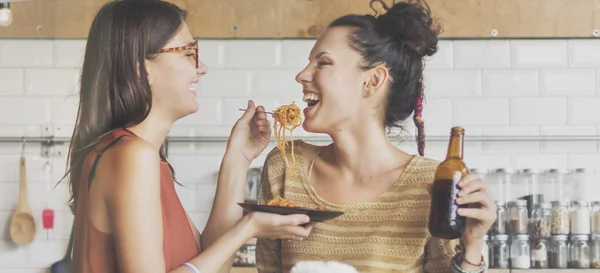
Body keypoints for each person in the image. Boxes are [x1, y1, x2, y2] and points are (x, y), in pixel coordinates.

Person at [59, 1, 313, 272]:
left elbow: (212, 263)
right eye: (188, 52)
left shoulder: (141, 157)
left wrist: (238, 158)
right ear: (140, 68)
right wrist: (247, 228)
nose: (201, 67)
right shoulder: (131, 155)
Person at [255, 0, 497, 272]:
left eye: (323, 62)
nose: (302, 75)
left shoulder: (430, 184)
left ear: (372, 81)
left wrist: (473, 245)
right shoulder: (285, 167)